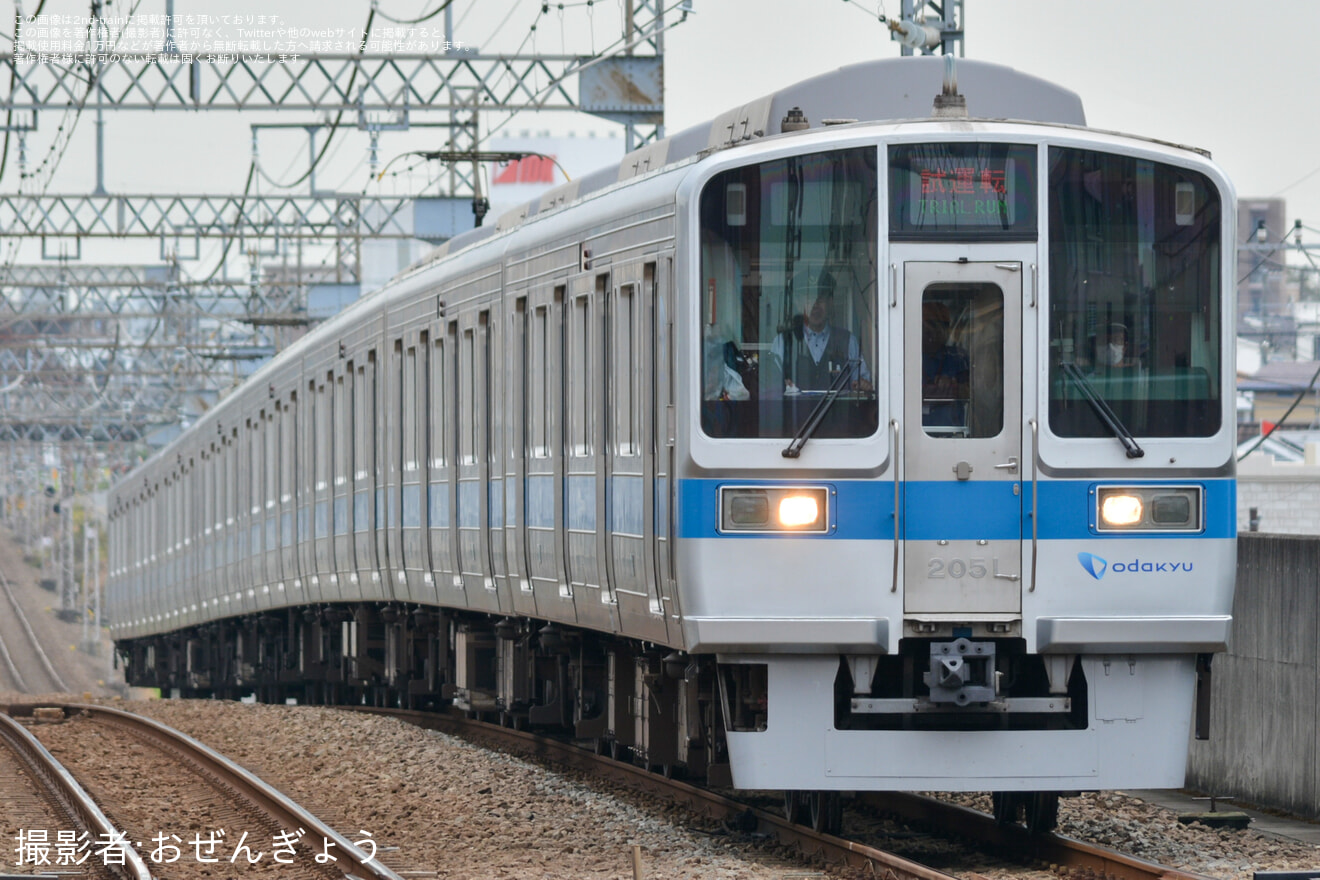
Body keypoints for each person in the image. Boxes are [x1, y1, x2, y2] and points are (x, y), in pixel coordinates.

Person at [766, 272, 872, 394]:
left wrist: (862, 385)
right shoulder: (783, 342)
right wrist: (780, 386)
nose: (815, 305)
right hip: (796, 413)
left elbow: (862, 384)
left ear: (830, 302)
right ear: (798, 302)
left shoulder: (848, 341)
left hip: (839, 413)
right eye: (809, 297)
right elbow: (771, 389)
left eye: (820, 298)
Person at [921, 302, 970, 429]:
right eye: (926, 325)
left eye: (936, 325)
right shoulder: (905, 358)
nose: (930, 331)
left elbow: (975, 393)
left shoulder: (958, 357)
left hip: (953, 434)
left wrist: (954, 386)